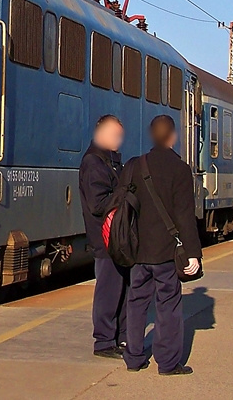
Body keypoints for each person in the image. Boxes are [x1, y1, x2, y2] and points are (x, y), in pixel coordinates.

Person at [122, 115, 202, 376]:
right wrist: (193, 254)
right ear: (172, 136)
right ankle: (167, 363)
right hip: (167, 252)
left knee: (136, 304)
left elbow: (123, 208)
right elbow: (185, 216)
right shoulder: (180, 169)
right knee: (167, 306)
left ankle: (133, 358)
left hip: (139, 251)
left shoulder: (135, 165)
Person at [78, 114, 129, 359]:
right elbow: (98, 203)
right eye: (114, 135)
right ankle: (104, 341)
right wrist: (126, 195)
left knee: (121, 288)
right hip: (106, 238)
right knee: (109, 289)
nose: (119, 140)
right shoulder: (94, 162)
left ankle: (120, 337)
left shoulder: (110, 161)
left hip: (116, 237)